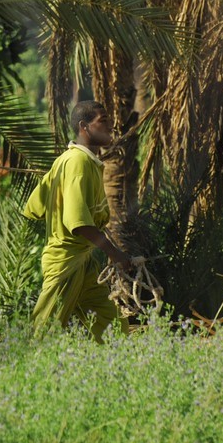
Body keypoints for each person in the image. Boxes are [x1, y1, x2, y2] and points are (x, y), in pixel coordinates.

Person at [22, 101, 144, 339]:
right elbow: (79, 223)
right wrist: (115, 254)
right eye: (103, 120)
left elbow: (35, 205)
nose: (110, 125)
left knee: (111, 324)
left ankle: (113, 371)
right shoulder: (77, 163)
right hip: (66, 262)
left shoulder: (70, 160)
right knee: (42, 333)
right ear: (84, 127)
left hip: (83, 261)